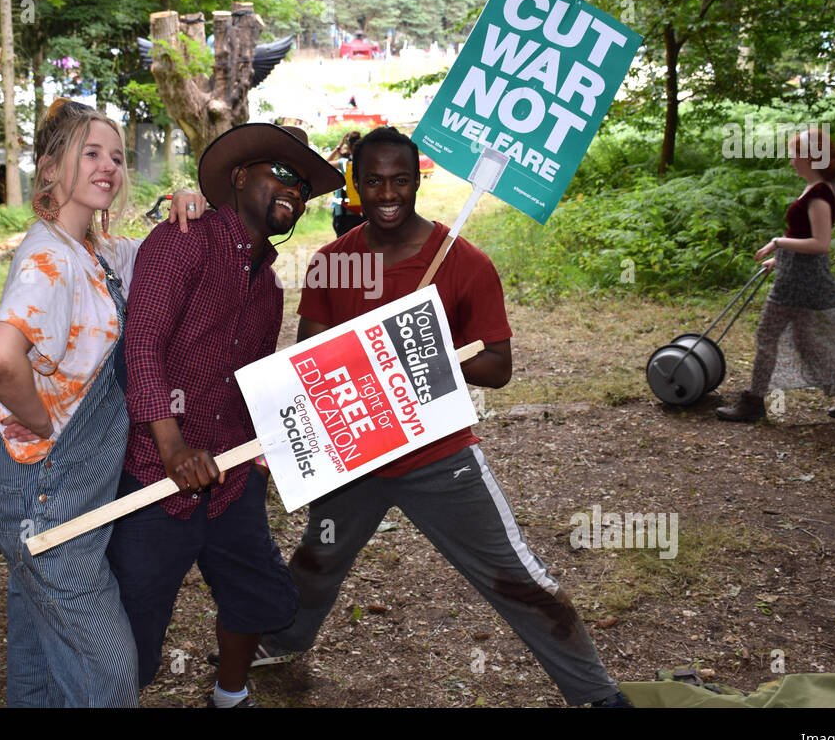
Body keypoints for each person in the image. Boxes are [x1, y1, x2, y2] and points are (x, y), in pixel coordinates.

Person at [253, 126, 629, 707]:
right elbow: (312, 353)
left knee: (517, 580)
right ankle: (282, 640)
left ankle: (597, 696)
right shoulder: (332, 262)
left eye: (399, 180)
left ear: (417, 180)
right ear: (354, 182)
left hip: (439, 456)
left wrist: (416, 352)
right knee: (318, 556)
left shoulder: (463, 263)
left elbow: (498, 366)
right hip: (356, 450)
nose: (386, 194)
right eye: (372, 180)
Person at [107, 122, 344, 708]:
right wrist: (171, 448)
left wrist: (263, 452)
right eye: (280, 173)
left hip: (231, 472)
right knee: (136, 624)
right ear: (240, 177)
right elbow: (143, 346)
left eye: (303, 184)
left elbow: (252, 382)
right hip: (156, 477)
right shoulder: (184, 240)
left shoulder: (268, 287)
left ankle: (229, 696)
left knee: (261, 596)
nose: (293, 189)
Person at [0, 98, 202, 707]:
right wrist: (42, 424)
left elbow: (154, 253)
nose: (109, 166)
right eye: (91, 154)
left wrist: (188, 201)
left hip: (59, 490)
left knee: (40, 648)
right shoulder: (49, 259)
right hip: (45, 497)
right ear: (50, 169)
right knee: (108, 673)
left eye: (117, 157)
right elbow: (0, 357)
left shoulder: (96, 253)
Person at [716, 127, 835, 422]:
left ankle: (753, 402)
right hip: (798, 274)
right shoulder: (821, 187)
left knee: (767, 335)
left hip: (799, 283)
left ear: (812, 157)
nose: (791, 159)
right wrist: (781, 259)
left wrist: (778, 243)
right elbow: (805, 236)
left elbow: (820, 243)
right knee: (809, 340)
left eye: (796, 154)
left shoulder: (819, 195)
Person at [328, 130, 365, 237]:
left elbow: (325, 163)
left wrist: (338, 148)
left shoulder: (343, 163)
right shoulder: (367, 163)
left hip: (343, 212)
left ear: (348, 147)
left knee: (343, 248)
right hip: (362, 212)